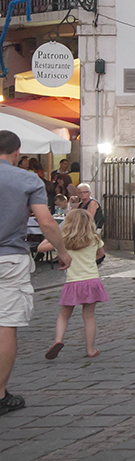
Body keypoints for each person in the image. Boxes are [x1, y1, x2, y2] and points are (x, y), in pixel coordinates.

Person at [0, 128, 71, 415]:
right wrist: (62, 252)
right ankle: (0, 395)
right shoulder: (28, 179)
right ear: (18, 153)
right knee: (6, 326)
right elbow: (46, 222)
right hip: (9, 259)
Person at [46, 206, 109, 361]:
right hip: (91, 280)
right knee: (89, 316)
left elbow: (41, 248)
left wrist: (53, 238)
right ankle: (90, 349)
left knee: (63, 315)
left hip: (73, 282)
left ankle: (58, 340)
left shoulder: (64, 241)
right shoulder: (94, 239)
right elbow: (101, 254)